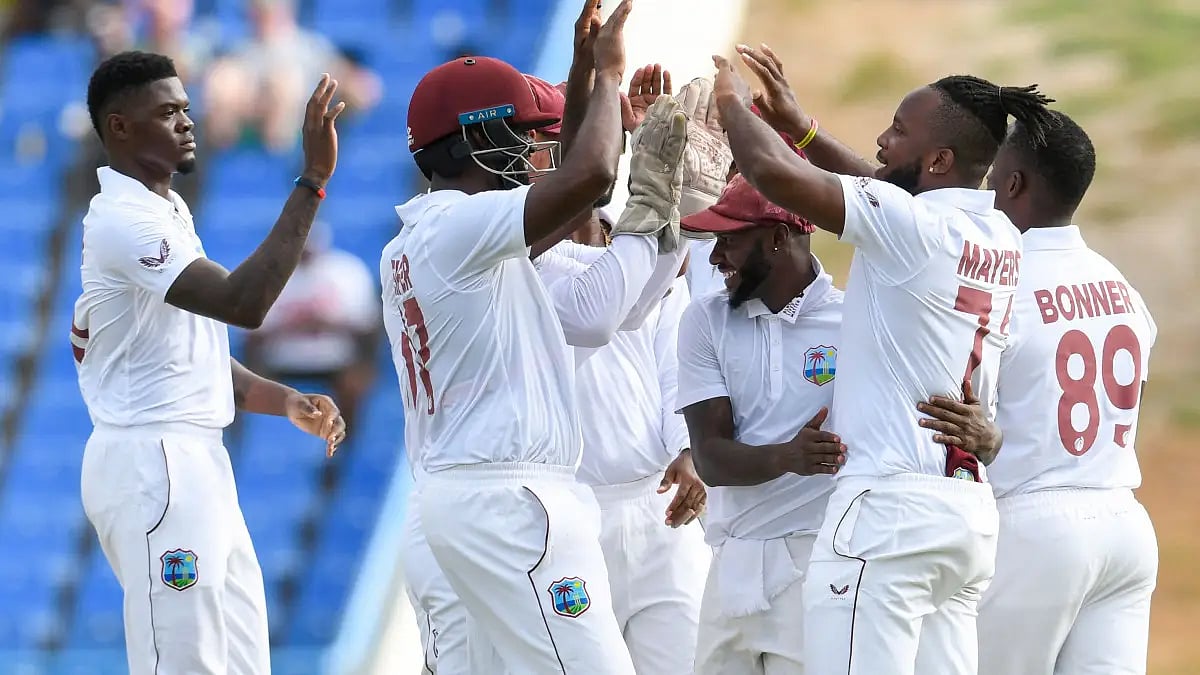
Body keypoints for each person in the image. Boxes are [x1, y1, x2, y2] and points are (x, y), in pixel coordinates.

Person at [712, 44, 1056, 674]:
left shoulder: (914, 229)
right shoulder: (998, 234)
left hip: (888, 517)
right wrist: (804, 129)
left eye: (898, 130)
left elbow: (774, 173)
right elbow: (880, 191)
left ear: (940, 159)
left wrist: (731, 100)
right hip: (963, 519)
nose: (880, 139)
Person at [379, 0, 687, 670]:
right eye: (518, 135)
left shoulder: (436, 237)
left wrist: (583, 77)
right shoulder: (459, 229)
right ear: (474, 142)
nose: (533, 152)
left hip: (474, 498)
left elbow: (573, 191)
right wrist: (608, 80)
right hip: (511, 503)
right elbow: (590, 177)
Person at [72, 51, 346, 674]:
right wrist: (312, 180)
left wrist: (282, 399)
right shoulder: (124, 220)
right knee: (186, 663)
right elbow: (243, 303)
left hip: (195, 459)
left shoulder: (166, 212)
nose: (186, 122)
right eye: (166, 112)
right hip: (154, 464)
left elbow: (187, 354)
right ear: (119, 127)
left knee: (243, 662)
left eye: (186, 109)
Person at [676, 175, 1003, 675]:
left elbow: (940, 421)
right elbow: (711, 459)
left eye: (730, 241)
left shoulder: (857, 320)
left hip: (819, 564)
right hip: (729, 565)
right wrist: (786, 456)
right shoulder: (705, 319)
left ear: (778, 237)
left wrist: (991, 437)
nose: (716, 258)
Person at [973, 110, 1158, 675]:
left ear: (1015, 183)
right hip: (1124, 527)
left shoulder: (1001, 284)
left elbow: (966, 413)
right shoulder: (1121, 286)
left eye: (992, 175)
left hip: (1035, 528)